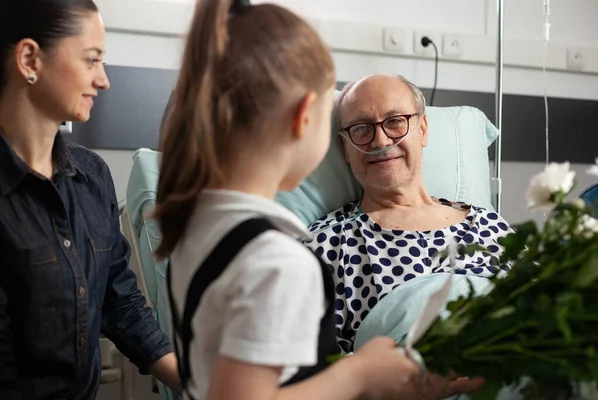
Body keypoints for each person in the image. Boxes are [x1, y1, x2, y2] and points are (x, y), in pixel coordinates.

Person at [154, 0, 485, 399]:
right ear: (304, 117)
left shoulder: (197, 231)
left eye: (395, 122)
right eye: (355, 128)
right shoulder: (280, 262)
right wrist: (359, 374)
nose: (379, 140)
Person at [0, 1, 181, 399]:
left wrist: (198, 384)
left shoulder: (92, 176)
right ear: (29, 59)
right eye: (92, 60)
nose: (104, 80)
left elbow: (122, 302)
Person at [305, 74, 513, 353]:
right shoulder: (327, 245)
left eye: (394, 122)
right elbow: (320, 369)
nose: (380, 140)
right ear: (345, 148)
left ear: (423, 129)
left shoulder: (491, 226)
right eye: (361, 129)